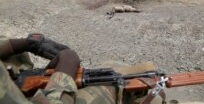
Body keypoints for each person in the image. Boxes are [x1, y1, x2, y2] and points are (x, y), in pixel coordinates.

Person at [0, 34, 163, 104]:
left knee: (113, 70)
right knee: (105, 86)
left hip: (19, 80)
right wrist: (64, 72)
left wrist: (23, 44)